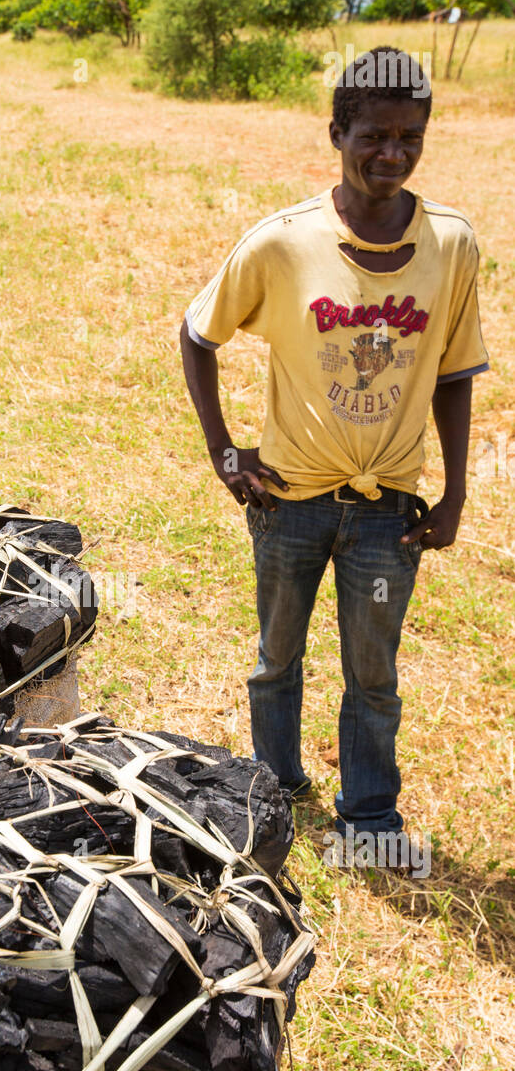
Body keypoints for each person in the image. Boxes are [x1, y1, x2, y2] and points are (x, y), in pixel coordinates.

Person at [180, 47, 488, 875]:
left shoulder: (450, 245)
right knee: (277, 656)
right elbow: (198, 334)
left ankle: (369, 813)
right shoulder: (284, 242)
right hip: (291, 500)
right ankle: (272, 793)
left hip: (389, 510)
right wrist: (223, 451)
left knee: (373, 671)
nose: (392, 153)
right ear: (337, 133)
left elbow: (455, 375)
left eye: (410, 138)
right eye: (375, 135)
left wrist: (457, 493)